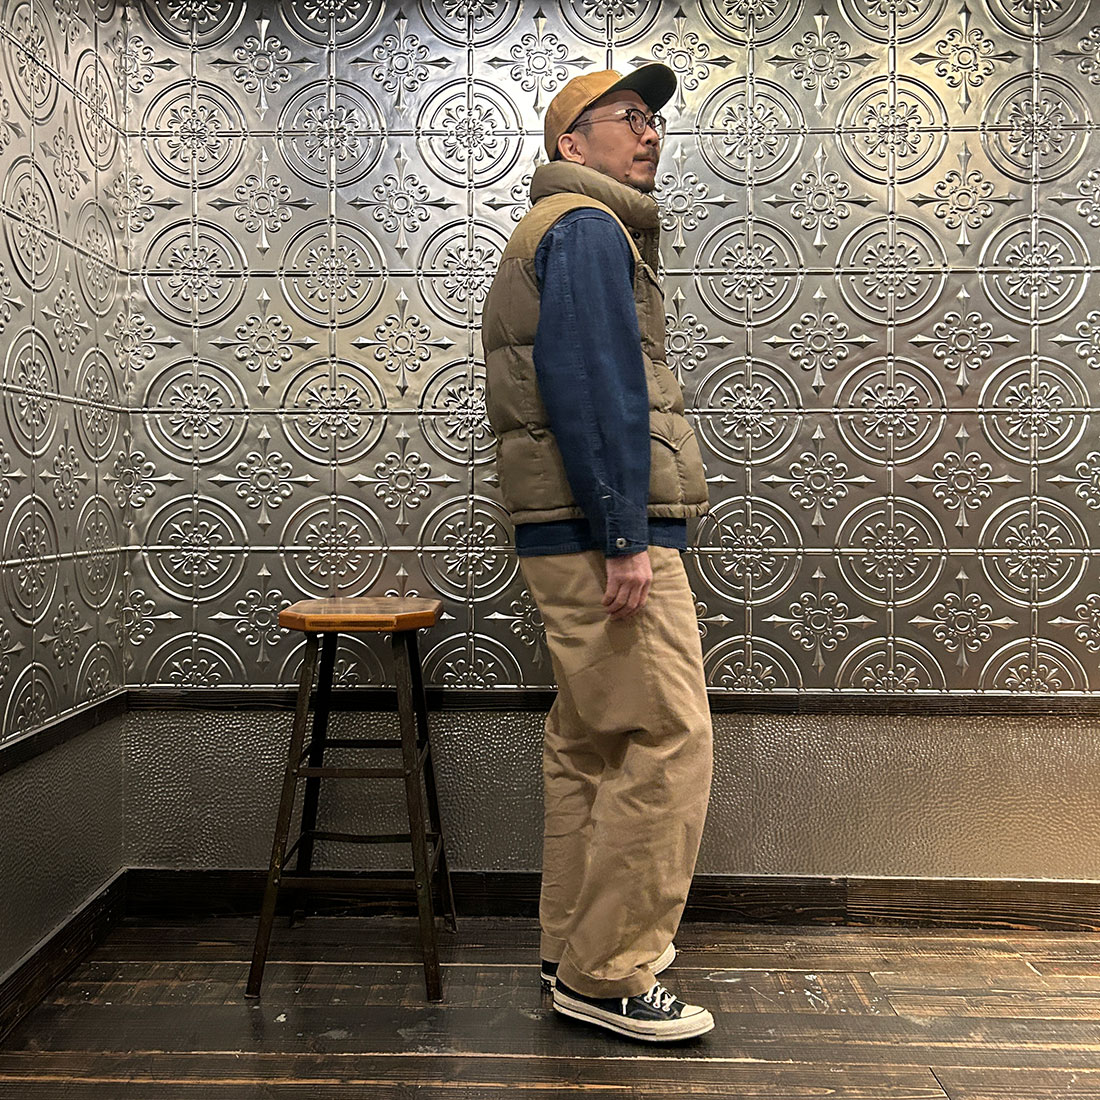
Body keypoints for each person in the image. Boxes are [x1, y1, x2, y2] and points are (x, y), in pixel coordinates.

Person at [482, 65, 715, 1043]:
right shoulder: (584, 226)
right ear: (570, 144)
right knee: (666, 741)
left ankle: (571, 947)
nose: (649, 132)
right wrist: (623, 535)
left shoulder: (565, 228)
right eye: (628, 116)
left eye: (653, 119)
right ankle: (608, 973)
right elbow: (592, 383)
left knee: (589, 745)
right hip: (604, 535)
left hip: (567, 531)